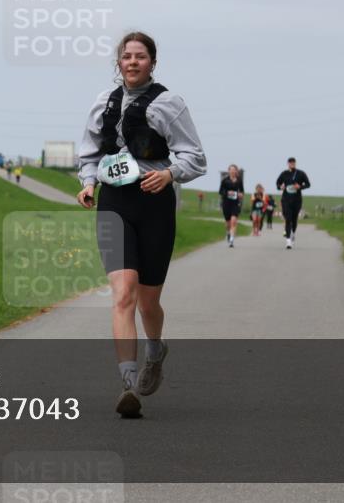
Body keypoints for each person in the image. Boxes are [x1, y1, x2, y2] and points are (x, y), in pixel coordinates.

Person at [76, 31, 207, 418]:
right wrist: (88, 183)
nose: (132, 62)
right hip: (115, 201)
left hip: (154, 202)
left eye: (140, 56)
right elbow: (90, 152)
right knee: (123, 293)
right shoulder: (103, 102)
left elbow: (195, 157)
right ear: (118, 63)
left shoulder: (170, 104)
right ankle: (128, 383)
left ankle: (155, 349)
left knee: (149, 302)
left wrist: (169, 174)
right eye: (126, 56)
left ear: (152, 62)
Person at [276, 157, 311, 249]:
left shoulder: (300, 173)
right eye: (290, 163)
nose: (292, 164)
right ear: (288, 163)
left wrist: (300, 186)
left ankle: (293, 233)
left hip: (297, 200)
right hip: (286, 199)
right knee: (288, 218)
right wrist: (280, 187)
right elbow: (277, 183)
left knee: (294, 219)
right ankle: (288, 241)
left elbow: (308, 184)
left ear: (295, 163)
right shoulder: (284, 174)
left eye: (293, 163)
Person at [218, 165, 244, 247]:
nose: (233, 171)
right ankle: (228, 233)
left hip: (235, 204)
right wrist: (227, 193)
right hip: (226, 203)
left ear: (236, 171)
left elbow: (242, 191)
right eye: (231, 170)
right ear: (229, 171)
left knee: (233, 221)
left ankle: (232, 240)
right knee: (228, 223)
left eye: (234, 170)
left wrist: (240, 195)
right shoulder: (225, 180)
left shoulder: (239, 181)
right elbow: (220, 191)